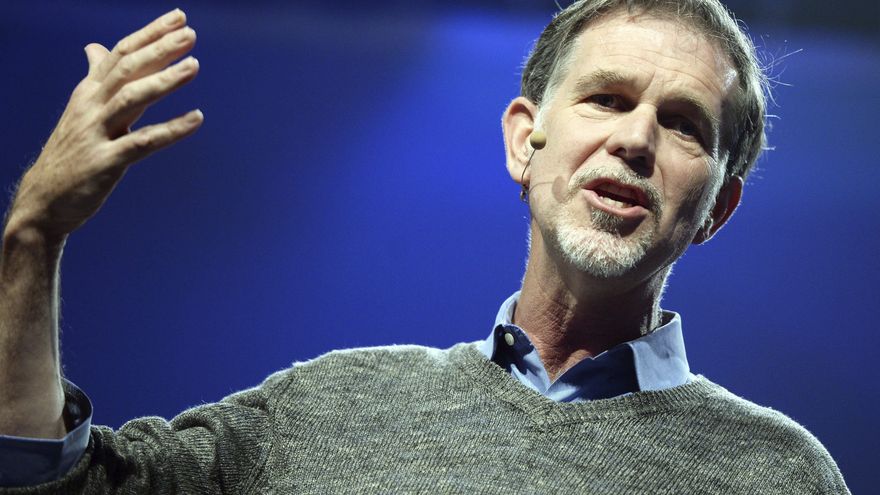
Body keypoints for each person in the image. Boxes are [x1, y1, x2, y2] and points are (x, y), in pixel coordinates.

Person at [0, 0, 850, 492]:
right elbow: (56, 481)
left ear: (717, 207)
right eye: (607, 98)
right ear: (524, 141)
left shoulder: (777, 472)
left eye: (683, 124)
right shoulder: (326, 408)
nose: (634, 139)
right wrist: (31, 241)